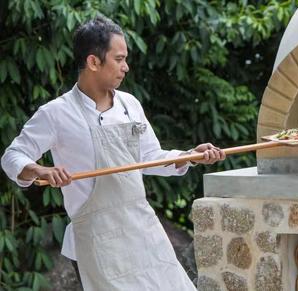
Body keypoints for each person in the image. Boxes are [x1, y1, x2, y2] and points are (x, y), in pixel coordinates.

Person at [1, 16, 225, 290]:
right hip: (99, 240)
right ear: (94, 62)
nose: (126, 67)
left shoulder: (130, 104)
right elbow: (12, 156)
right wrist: (40, 170)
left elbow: (150, 158)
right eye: (119, 59)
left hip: (143, 229)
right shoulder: (57, 113)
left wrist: (189, 155)